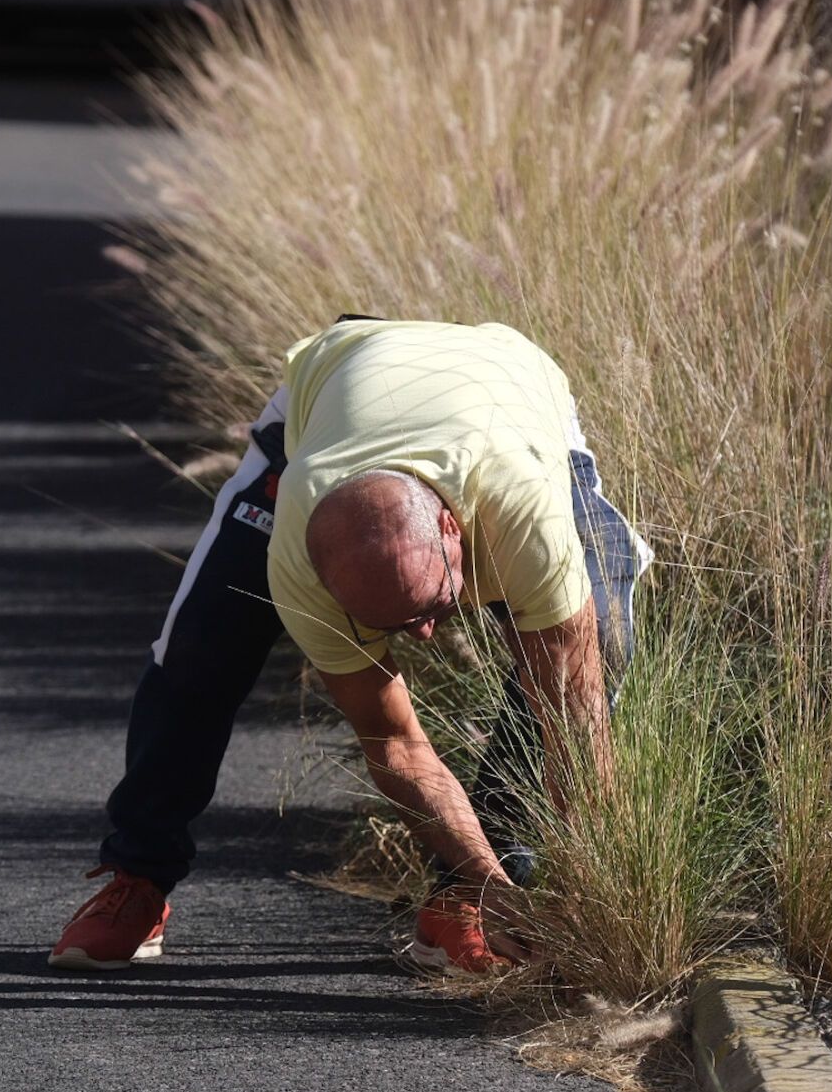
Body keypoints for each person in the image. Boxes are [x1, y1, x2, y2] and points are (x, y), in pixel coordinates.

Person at [48, 318, 650, 973]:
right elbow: (394, 743)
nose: (424, 636)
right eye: (391, 625)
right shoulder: (298, 551)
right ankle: (138, 876)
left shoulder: (525, 513)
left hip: (513, 399)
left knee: (602, 639)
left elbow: (577, 727)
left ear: (455, 530)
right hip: (333, 396)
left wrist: (597, 894)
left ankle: (465, 903)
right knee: (200, 642)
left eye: (431, 609)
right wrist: (493, 883)